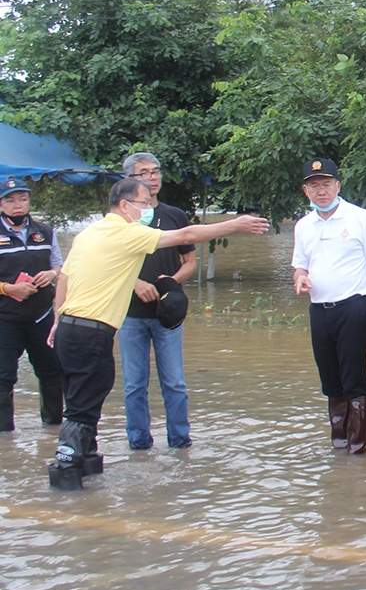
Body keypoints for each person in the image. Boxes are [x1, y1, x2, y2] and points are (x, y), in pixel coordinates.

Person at [47, 177, 269, 490]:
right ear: (125, 206)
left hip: (71, 328)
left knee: (83, 400)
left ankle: (86, 467)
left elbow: (64, 279)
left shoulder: (89, 233)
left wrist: (57, 321)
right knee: (83, 406)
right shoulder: (127, 233)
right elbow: (187, 234)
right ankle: (66, 468)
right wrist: (234, 224)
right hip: (90, 333)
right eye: (144, 204)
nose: (149, 209)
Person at [292, 158, 366, 457]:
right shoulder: (303, 226)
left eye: (326, 184)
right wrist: (301, 279)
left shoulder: (360, 218)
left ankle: (357, 449)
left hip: (354, 307)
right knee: (331, 382)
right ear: (305, 191)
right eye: (314, 186)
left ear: (338, 185)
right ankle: (339, 445)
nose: (321, 191)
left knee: (354, 378)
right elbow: (299, 267)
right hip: (320, 311)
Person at [116, 153, 196, 450]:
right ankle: (138, 444)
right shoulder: (119, 220)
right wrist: (134, 282)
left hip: (168, 313)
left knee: (174, 383)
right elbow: (107, 264)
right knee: (134, 384)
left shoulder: (175, 215)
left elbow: (189, 262)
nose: (152, 177)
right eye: (143, 173)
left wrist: (170, 283)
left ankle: (180, 442)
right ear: (129, 180)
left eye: (155, 171)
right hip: (130, 313)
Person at [0, 177, 63, 430]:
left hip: (42, 317)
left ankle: (53, 429)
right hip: (5, 319)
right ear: (1, 204)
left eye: (23, 199)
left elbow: (60, 266)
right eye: (10, 200)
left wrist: (53, 274)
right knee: (3, 378)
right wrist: (8, 288)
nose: (18, 205)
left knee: (51, 373)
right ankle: (5, 437)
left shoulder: (45, 232)